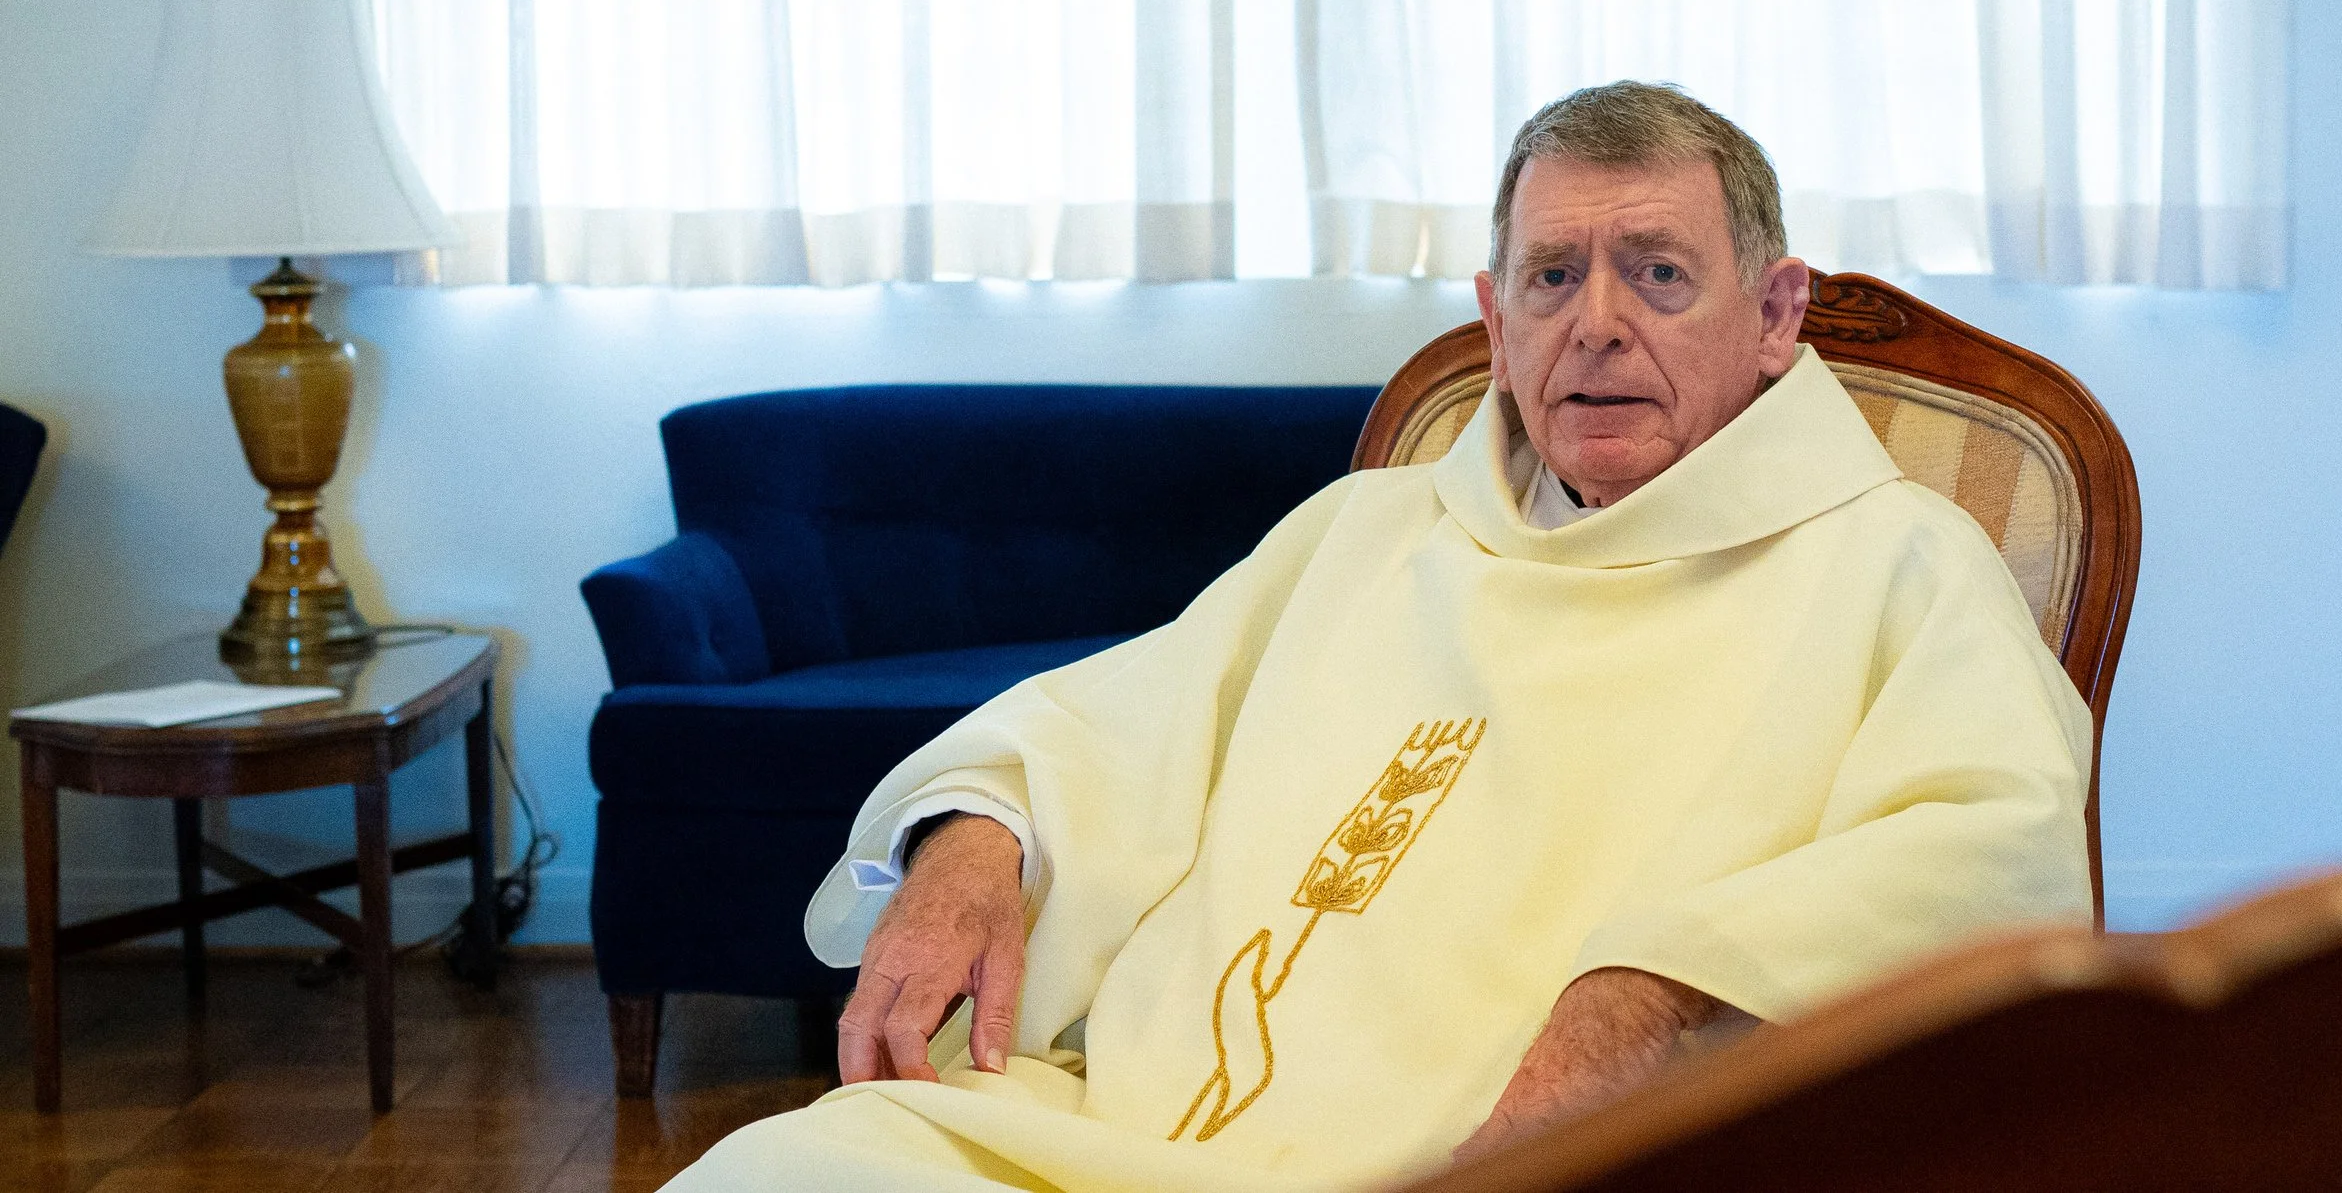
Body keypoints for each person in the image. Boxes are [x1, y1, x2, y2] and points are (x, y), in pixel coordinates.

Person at [669, 82, 2093, 1193]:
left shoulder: (1898, 560)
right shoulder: (1370, 530)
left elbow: (1990, 848)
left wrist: (1652, 994)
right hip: (1113, 1139)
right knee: (773, 1167)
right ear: (1492, 314)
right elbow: (1129, 718)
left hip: (1538, 1160)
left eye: (1658, 274)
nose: (1595, 325)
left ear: (1776, 315)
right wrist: (976, 839)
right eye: (1551, 277)